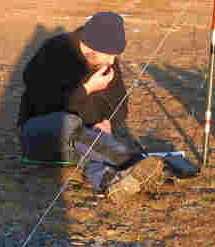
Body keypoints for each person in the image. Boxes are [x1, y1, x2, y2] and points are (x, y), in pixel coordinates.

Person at [18, 11, 163, 198]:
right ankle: (128, 160)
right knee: (69, 123)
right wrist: (87, 89)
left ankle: (111, 181)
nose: (112, 61)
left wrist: (108, 123)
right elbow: (45, 104)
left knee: (91, 143)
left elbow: (121, 104)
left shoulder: (105, 60)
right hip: (41, 138)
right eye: (109, 55)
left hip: (86, 145)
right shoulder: (54, 52)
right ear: (92, 47)